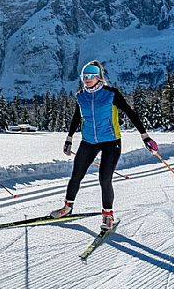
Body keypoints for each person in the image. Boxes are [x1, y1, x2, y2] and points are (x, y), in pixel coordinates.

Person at [51, 61, 158, 230]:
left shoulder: (111, 94)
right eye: (84, 77)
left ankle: (108, 215)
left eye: (90, 76)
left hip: (111, 141)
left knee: (104, 179)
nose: (86, 80)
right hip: (89, 141)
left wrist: (145, 136)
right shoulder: (81, 96)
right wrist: (69, 138)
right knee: (76, 175)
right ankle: (67, 208)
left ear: (98, 77)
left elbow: (130, 112)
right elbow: (76, 118)